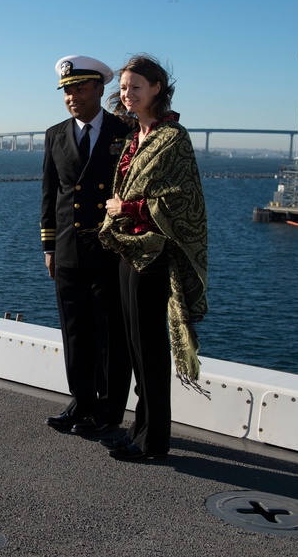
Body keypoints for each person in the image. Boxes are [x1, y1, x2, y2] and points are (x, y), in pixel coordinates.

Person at [98, 54, 208, 461]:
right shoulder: (135, 138)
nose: (127, 95)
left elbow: (182, 200)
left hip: (153, 252)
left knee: (149, 346)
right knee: (133, 342)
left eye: (136, 88)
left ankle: (154, 440)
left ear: (157, 89)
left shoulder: (173, 138)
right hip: (129, 249)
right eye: (124, 88)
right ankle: (139, 428)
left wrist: (128, 209)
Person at [40, 55, 132, 437]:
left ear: (99, 89)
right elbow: (50, 194)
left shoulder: (124, 131)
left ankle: (109, 410)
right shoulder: (55, 134)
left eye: (79, 88)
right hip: (67, 251)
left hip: (109, 250)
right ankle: (81, 401)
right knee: (74, 330)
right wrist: (48, 248)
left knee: (110, 332)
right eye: (67, 91)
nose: (72, 97)